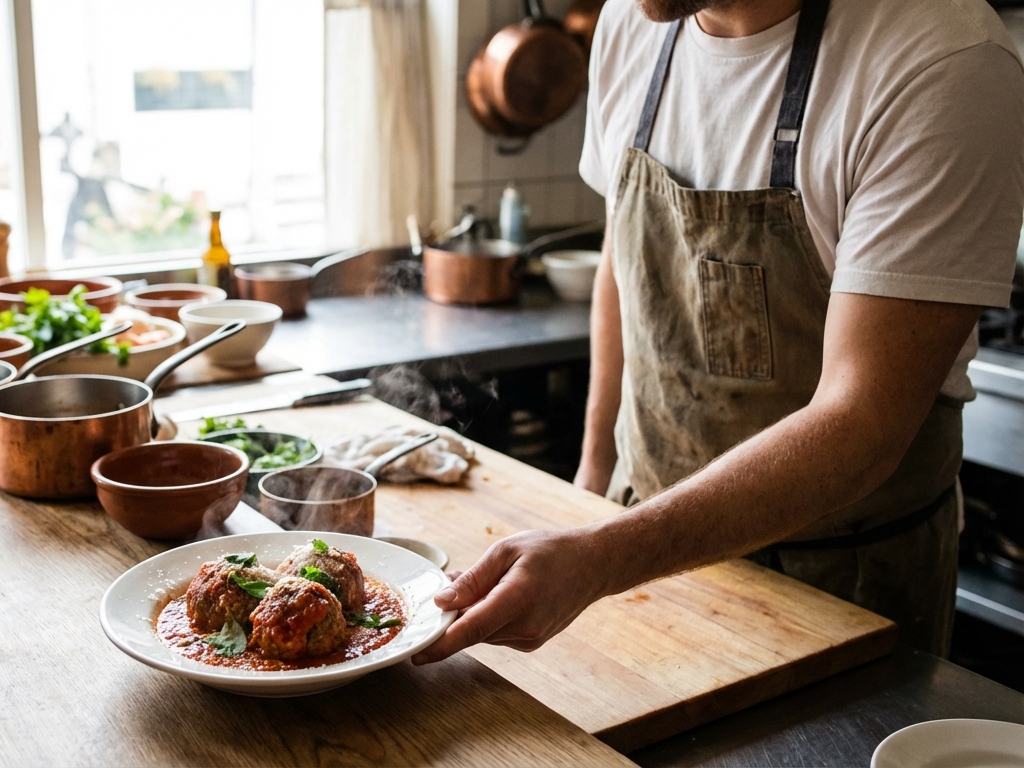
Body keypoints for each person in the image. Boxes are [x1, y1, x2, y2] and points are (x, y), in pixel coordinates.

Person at [414, 0, 1024, 665]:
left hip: (839, 588)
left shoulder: (943, 63)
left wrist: (603, 554)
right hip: (636, 554)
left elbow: (864, 423)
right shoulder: (631, 22)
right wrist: (590, 487)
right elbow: (623, 265)